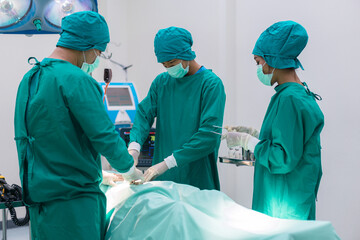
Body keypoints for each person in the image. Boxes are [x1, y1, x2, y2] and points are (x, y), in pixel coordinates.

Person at [14, 11, 143, 239]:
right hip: (74, 206)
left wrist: (101, 174)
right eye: (99, 52)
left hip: (40, 203)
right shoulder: (77, 80)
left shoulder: (30, 78)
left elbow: (50, 144)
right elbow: (105, 137)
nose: (97, 58)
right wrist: (130, 171)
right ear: (87, 46)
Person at [223, 21, 324, 220]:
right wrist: (256, 135)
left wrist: (247, 142)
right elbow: (291, 141)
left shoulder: (289, 100)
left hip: (284, 202)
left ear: (272, 59)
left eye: (258, 62)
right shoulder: (297, 93)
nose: (258, 68)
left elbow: (283, 158)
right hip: (292, 195)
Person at [128, 26, 226, 190]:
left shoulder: (211, 84)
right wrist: (134, 150)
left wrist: (167, 163)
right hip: (163, 180)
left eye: (172, 62)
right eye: (164, 64)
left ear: (186, 54)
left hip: (197, 179)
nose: (168, 68)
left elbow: (209, 136)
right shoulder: (162, 83)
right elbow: (144, 115)